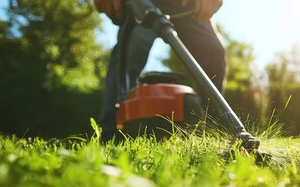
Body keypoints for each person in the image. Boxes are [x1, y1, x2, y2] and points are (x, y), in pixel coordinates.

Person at [94, 0, 226, 142]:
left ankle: (211, 133)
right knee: (130, 52)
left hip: (187, 5)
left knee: (213, 52)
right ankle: (111, 135)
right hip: (142, 2)